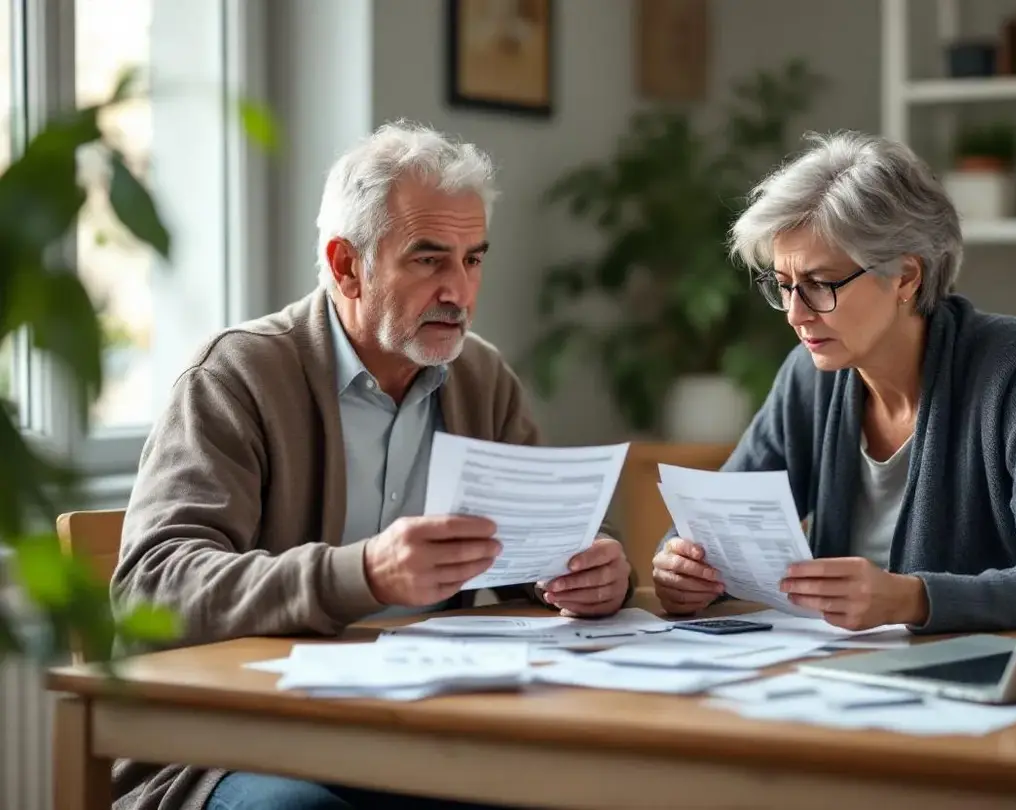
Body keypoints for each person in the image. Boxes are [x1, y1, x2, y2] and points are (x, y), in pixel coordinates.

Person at [110, 120, 635, 810]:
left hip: (422, 733)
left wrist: (593, 571)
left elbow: (538, 558)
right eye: (428, 259)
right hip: (236, 742)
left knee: (582, 787)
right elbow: (152, 589)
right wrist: (362, 572)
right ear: (345, 265)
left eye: (473, 259)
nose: (460, 291)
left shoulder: (482, 378)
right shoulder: (237, 375)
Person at [651, 130, 1016, 635]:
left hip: (981, 677)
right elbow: (712, 528)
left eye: (821, 284)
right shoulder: (808, 375)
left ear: (906, 278)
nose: (796, 315)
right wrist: (684, 568)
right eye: (784, 287)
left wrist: (914, 599)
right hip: (830, 674)